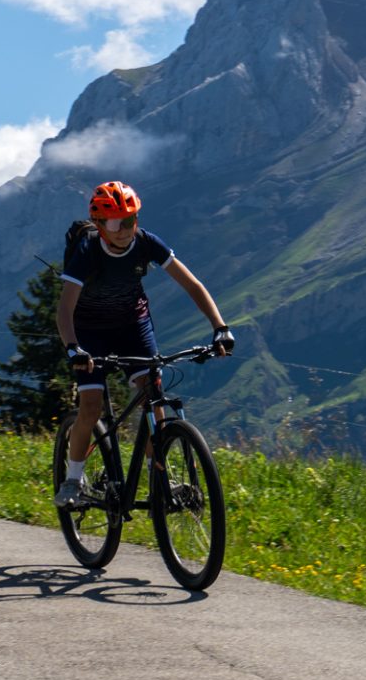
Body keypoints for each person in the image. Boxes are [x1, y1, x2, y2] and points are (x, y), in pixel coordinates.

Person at [54, 180, 234, 508]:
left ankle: (159, 476)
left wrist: (220, 327)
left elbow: (192, 285)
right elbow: (64, 309)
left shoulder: (146, 243)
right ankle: (73, 479)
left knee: (153, 397)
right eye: (114, 222)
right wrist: (73, 349)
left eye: (130, 220)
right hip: (90, 330)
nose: (124, 229)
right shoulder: (87, 251)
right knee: (91, 406)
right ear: (99, 224)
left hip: (132, 327)